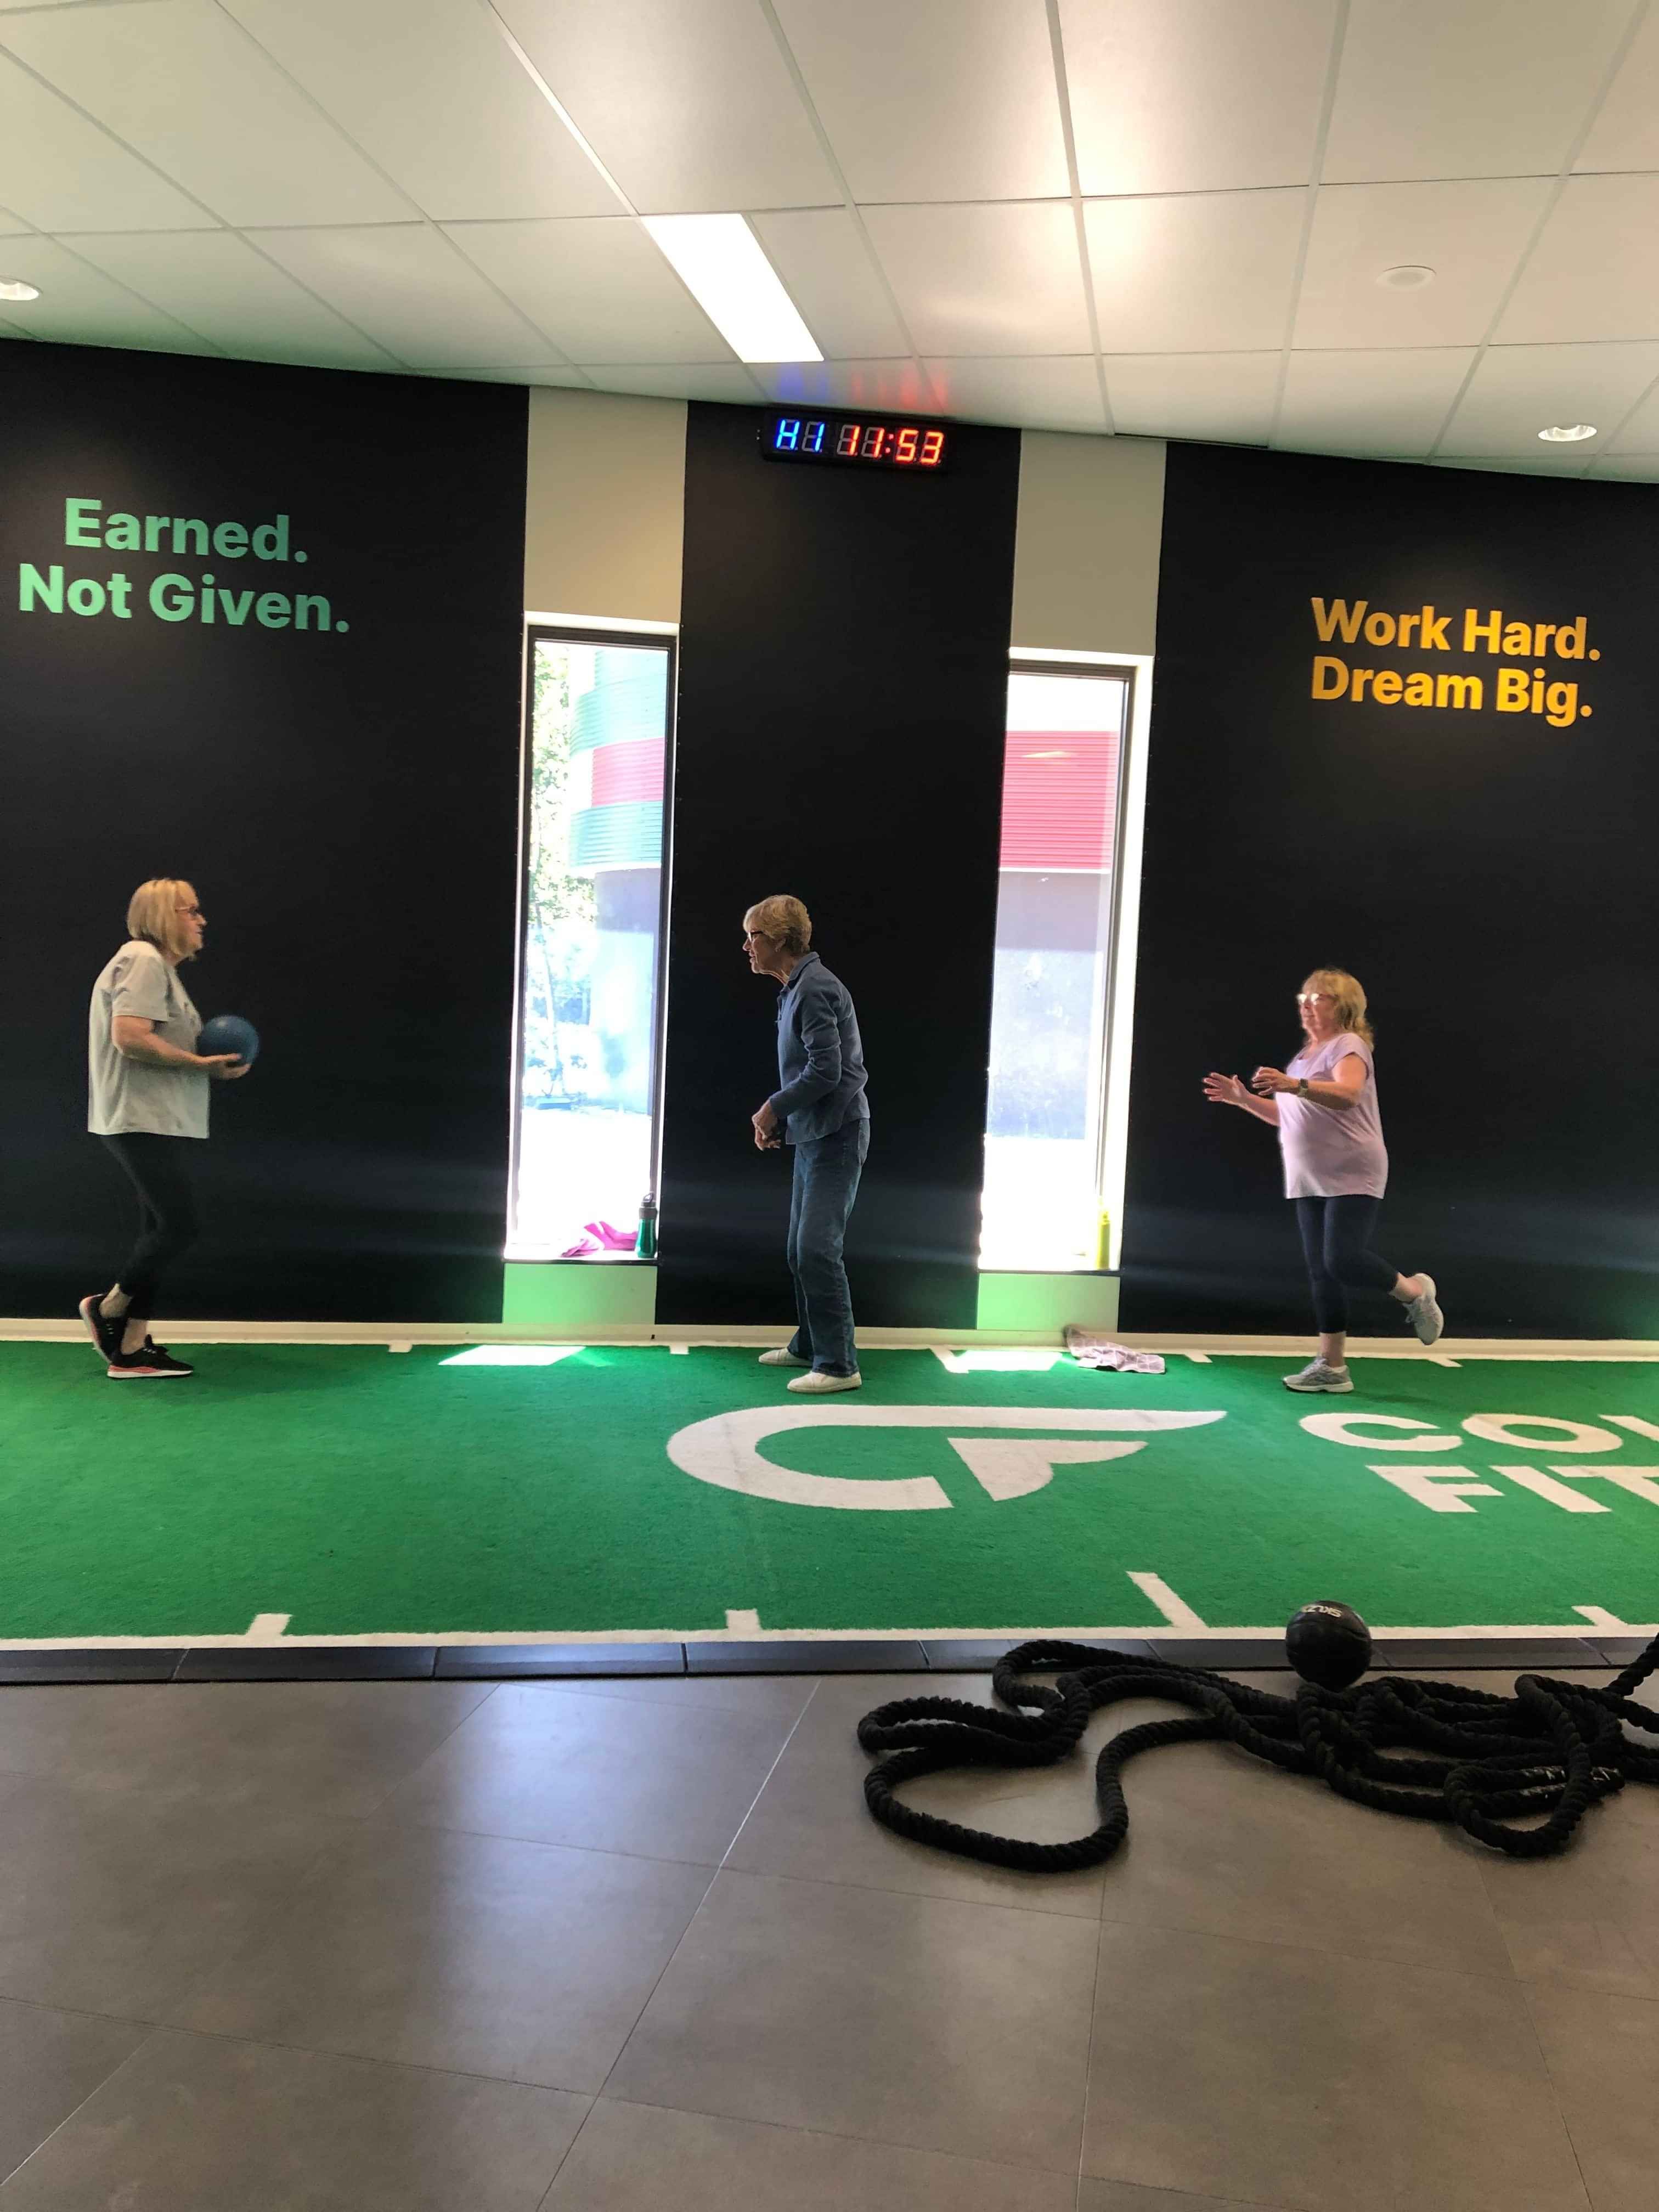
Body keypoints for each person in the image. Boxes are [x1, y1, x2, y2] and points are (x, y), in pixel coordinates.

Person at [1203, 967, 1441, 1393]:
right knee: (1322, 1273)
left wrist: (1294, 1084)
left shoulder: (1349, 1046)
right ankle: (1332, 1367)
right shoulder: (1304, 1058)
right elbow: (1290, 1115)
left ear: (1343, 1006)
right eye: (1303, 998)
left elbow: (1347, 1094)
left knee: (1341, 1258)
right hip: (1309, 1176)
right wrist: (1244, 1100)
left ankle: (1415, 1292)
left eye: (1318, 998)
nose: (1306, 1005)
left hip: (1352, 1168)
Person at [81, 879, 250, 1379]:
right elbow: (131, 1038)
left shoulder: (156, 969)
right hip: (138, 1116)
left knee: (157, 1229)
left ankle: (131, 1351)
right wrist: (202, 1064)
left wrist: (204, 1065)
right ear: (162, 916)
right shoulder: (143, 959)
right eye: (190, 911)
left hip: (150, 1117)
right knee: (180, 1226)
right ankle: (107, 1310)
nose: (201, 920)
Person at [744, 894, 870, 1394]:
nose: (747, 946)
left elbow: (826, 1071)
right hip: (815, 1133)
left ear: (778, 940)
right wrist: (783, 1120)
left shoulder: (816, 988)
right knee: (800, 1250)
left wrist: (772, 1108)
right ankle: (807, 1346)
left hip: (838, 1134)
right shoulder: (794, 989)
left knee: (817, 1249)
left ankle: (839, 1365)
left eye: (753, 936)